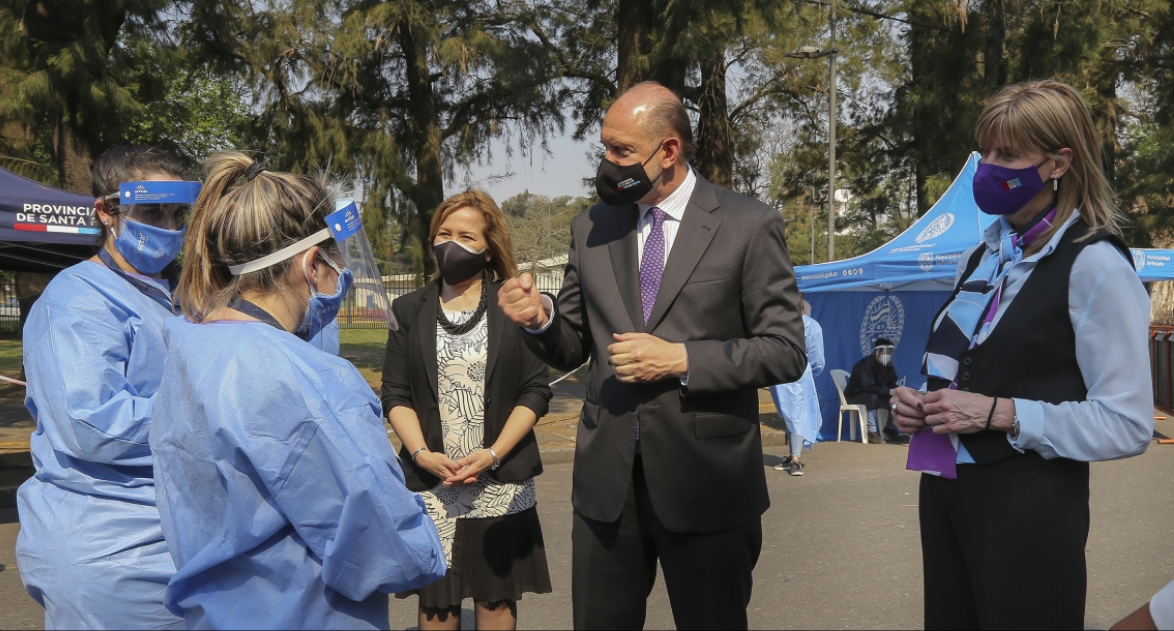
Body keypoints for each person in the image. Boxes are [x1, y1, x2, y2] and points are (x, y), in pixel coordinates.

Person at [498, 81, 807, 630]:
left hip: (708, 486)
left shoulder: (748, 224)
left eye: (621, 151)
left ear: (668, 151)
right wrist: (539, 316)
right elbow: (572, 342)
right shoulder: (590, 225)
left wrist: (681, 359)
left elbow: (784, 350)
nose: (607, 163)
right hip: (606, 486)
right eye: (605, 148)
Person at [891, 80, 1153, 629]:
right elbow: (966, 366)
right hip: (945, 494)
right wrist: (922, 405)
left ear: (1059, 163)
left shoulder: (1096, 265)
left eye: (1007, 154)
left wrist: (1000, 412)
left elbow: (1128, 424)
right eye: (985, 151)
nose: (987, 167)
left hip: (1029, 510)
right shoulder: (980, 256)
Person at [150, 152, 446, 629]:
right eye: (338, 257)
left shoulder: (189, 347)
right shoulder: (308, 377)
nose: (342, 272)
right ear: (312, 264)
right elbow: (385, 548)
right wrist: (427, 543)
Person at [15, 146, 195, 630]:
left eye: (177, 213)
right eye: (152, 210)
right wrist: (212, 416)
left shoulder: (172, 297)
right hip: (111, 552)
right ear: (107, 212)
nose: (168, 225)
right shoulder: (75, 301)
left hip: (176, 543)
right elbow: (90, 424)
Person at [382, 190, 553, 631]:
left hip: (499, 484)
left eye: (465, 235)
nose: (451, 243)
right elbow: (395, 394)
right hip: (433, 484)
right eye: (444, 233)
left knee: (495, 602)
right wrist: (420, 454)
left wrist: (494, 453)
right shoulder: (407, 310)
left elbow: (534, 392)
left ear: (488, 247)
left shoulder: (514, 308)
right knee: (437, 605)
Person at [769, 296, 824, 476]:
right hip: (800, 372)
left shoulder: (776, 324)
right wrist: (813, 372)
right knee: (798, 414)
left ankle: (794, 455)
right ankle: (795, 459)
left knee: (790, 414)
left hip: (780, 372)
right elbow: (817, 357)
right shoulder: (810, 325)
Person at [844, 338, 899, 444]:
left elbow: (892, 381)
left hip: (875, 392)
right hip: (856, 394)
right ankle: (871, 431)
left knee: (896, 398)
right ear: (877, 352)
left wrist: (895, 390)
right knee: (871, 397)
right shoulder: (865, 364)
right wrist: (888, 391)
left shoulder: (888, 364)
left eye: (890, 352)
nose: (888, 355)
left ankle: (890, 428)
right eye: (885, 352)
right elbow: (868, 386)